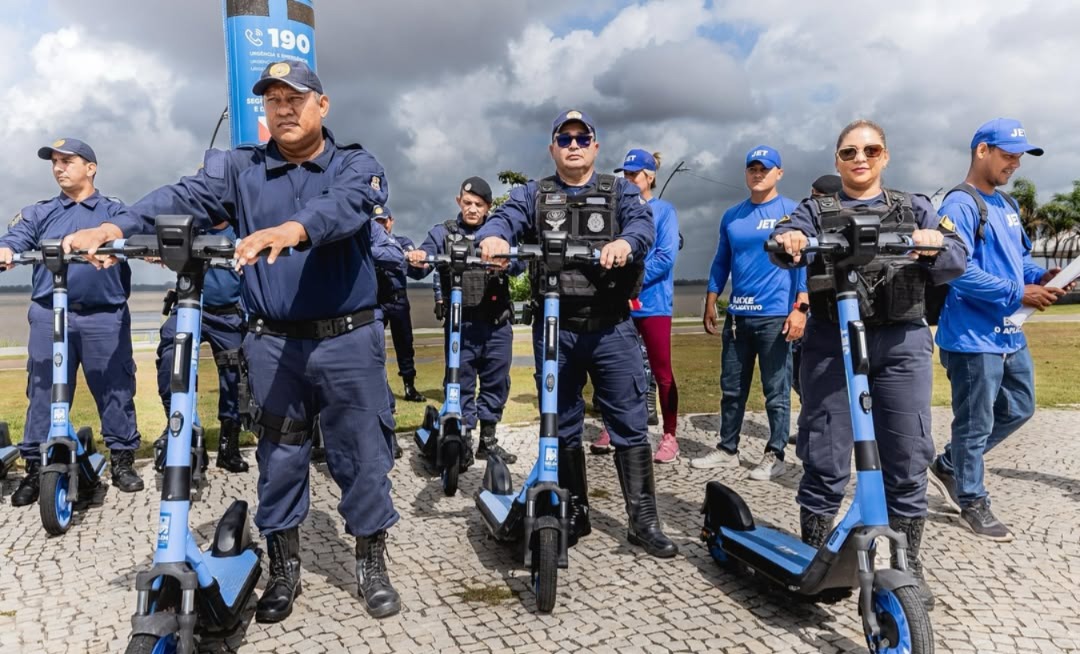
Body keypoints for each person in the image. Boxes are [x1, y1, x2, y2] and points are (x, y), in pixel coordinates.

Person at [66, 61, 401, 622]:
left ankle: (370, 562)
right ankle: (285, 569)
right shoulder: (241, 168)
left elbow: (345, 208)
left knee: (362, 453)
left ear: (323, 105)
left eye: (295, 97)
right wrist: (116, 226)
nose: (284, 108)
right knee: (280, 455)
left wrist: (292, 229)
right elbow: (186, 194)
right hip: (272, 345)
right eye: (273, 100)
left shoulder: (355, 164)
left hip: (348, 340)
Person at [769, 119, 968, 608]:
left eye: (871, 150)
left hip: (902, 342)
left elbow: (958, 254)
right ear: (837, 160)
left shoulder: (915, 206)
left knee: (907, 455)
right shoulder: (815, 209)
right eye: (849, 152)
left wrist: (932, 244)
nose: (860, 159)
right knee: (825, 452)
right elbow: (782, 240)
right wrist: (790, 242)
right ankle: (814, 552)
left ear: (885, 156)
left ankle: (907, 564)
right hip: (831, 342)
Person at [477, 109, 677, 559]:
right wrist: (492, 237)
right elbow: (504, 219)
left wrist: (625, 243)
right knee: (561, 424)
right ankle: (575, 510)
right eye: (563, 139)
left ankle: (644, 520)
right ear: (552, 148)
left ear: (594, 146)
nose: (573, 145)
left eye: (581, 138)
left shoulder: (620, 190)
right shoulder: (533, 193)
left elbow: (642, 227)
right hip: (556, 329)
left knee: (628, 422)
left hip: (612, 327)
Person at [927, 118, 1064, 542]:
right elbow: (954, 270)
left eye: (1020, 156)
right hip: (971, 337)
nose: (1016, 164)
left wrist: (1045, 277)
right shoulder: (960, 206)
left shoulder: (1006, 206)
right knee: (975, 422)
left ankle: (949, 464)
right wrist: (1017, 292)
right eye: (1008, 155)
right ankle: (972, 498)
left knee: (1020, 407)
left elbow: (1018, 261)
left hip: (1008, 331)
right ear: (981, 150)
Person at [1, 138, 146, 507]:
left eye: (68, 161)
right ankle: (37, 467)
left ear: (91, 168)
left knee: (115, 387)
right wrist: (6, 249)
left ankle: (122, 459)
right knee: (43, 390)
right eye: (54, 162)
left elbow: (138, 232)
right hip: (50, 313)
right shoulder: (39, 212)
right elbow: (15, 237)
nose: (59, 167)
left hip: (104, 315)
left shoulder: (113, 211)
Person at [690, 146, 807, 482]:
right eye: (752, 168)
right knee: (731, 388)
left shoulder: (791, 214)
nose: (758, 174)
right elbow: (721, 260)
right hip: (738, 316)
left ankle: (776, 453)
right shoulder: (733, 215)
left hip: (775, 316)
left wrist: (800, 308)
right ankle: (727, 449)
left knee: (776, 391)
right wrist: (712, 297)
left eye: (765, 169)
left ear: (778, 173)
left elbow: (803, 266)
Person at [406, 177, 520, 465]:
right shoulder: (442, 233)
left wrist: (507, 260)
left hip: (496, 323)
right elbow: (420, 267)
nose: (472, 209)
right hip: (461, 327)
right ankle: (463, 441)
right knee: (460, 384)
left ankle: (488, 441)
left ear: (488, 207)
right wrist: (417, 258)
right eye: (467, 203)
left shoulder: (499, 232)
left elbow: (519, 263)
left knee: (497, 382)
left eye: (478, 205)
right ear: (459, 202)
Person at [154, 222, 249, 474]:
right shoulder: (191, 225)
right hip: (189, 306)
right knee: (171, 358)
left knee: (236, 374)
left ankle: (229, 446)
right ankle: (183, 430)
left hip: (229, 314)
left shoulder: (241, 225)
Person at [607, 149, 681, 463]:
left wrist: (632, 283)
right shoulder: (617, 211)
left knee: (662, 372)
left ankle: (669, 436)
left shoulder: (664, 210)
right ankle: (616, 428)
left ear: (649, 176)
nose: (628, 180)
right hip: (619, 306)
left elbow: (665, 257)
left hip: (653, 304)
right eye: (624, 174)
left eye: (634, 174)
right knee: (618, 370)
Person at [374, 206, 426, 405]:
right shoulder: (367, 245)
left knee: (405, 345)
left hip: (398, 300)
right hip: (376, 301)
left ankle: (409, 386)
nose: (381, 225)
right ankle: (382, 391)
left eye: (383, 221)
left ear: (391, 221)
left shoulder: (402, 243)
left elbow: (414, 268)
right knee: (376, 347)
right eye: (376, 222)